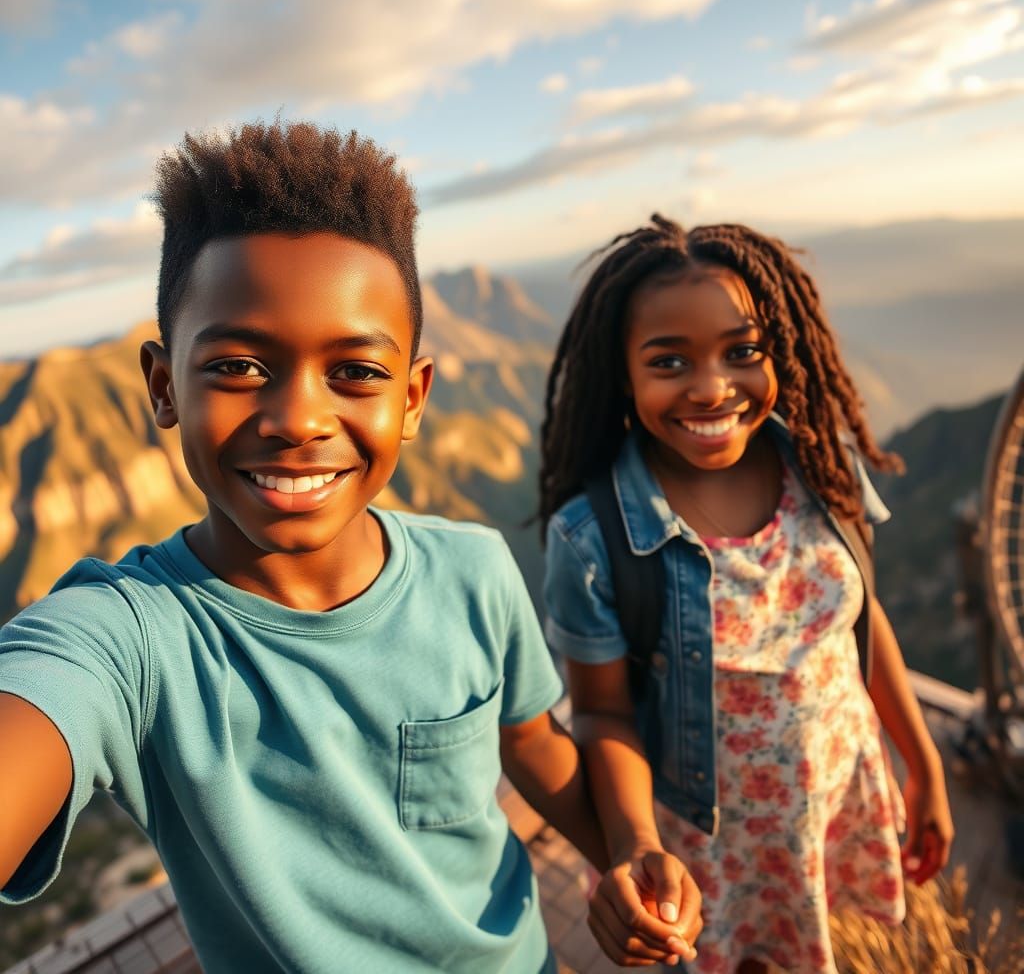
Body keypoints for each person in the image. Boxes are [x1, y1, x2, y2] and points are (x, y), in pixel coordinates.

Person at [0, 126, 701, 974]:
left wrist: (625, 854)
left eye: (356, 373)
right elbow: (41, 698)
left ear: (412, 397)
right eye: (238, 366)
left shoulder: (474, 573)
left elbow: (535, 746)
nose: (298, 419)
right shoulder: (130, 639)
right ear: (162, 387)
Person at [539, 215, 955, 974]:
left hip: (837, 800)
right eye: (669, 361)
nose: (711, 387)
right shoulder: (591, 540)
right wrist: (636, 843)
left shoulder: (821, 468)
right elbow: (600, 711)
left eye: (743, 352)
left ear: (781, 351)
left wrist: (921, 762)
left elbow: (859, 622)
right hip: (710, 848)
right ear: (621, 374)